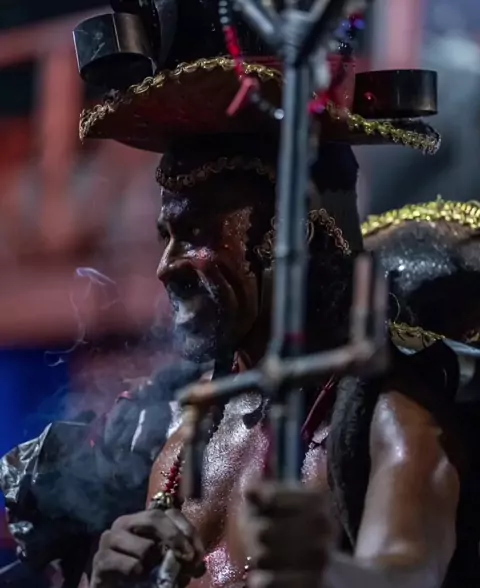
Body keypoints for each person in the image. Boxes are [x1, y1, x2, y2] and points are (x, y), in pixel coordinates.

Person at [2, 2, 477, 588]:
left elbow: (410, 571)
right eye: (166, 236)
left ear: (294, 231)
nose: (166, 267)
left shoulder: (388, 418)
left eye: (196, 234)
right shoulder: (183, 432)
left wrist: (324, 570)